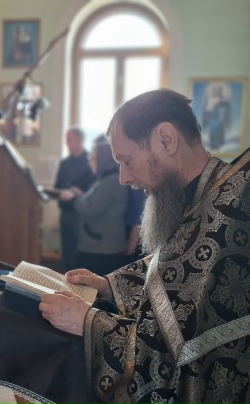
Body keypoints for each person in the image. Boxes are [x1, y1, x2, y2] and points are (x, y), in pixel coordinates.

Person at [39, 88, 250, 403]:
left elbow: (169, 355)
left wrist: (88, 321)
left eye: (127, 161)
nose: (123, 178)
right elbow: (175, 271)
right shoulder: (200, 199)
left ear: (166, 139)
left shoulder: (233, 210)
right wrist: (110, 286)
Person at [65, 135, 129, 276]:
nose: (89, 162)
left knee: (91, 286)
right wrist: (80, 195)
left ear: (103, 159)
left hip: (103, 248)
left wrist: (73, 198)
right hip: (98, 244)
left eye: (92, 158)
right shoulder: (105, 179)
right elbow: (94, 201)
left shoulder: (112, 181)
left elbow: (90, 209)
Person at [53, 128, 96, 271]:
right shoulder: (64, 163)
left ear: (80, 139)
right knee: (67, 253)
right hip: (65, 212)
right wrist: (60, 192)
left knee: (80, 255)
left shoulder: (90, 162)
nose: (66, 143)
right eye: (66, 139)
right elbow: (57, 186)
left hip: (80, 215)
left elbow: (94, 190)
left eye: (69, 139)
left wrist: (77, 193)